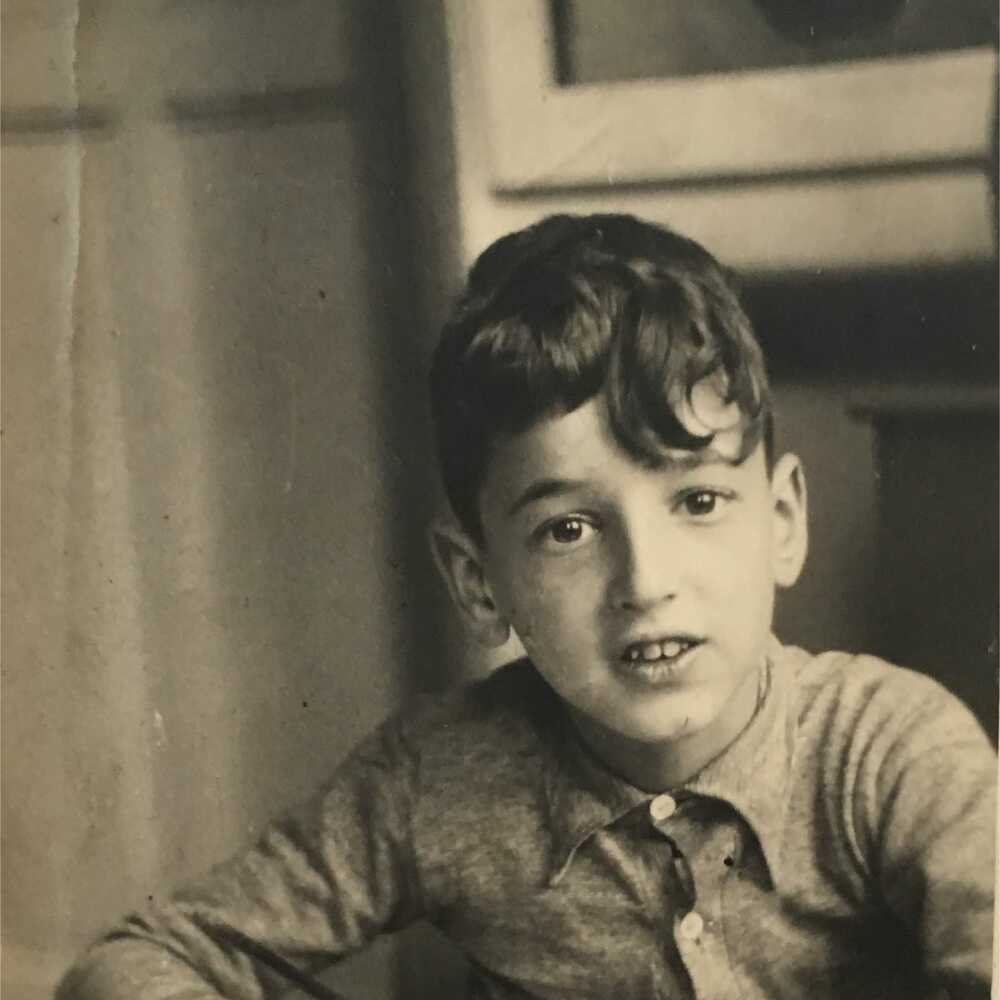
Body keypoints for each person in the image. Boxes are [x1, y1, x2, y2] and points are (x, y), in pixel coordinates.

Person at [58, 214, 996, 999]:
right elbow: (136, 961)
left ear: (782, 521)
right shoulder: (441, 776)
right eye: (568, 530)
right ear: (479, 583)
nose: (646, 582)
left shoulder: (891, 754)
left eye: (699, 501)